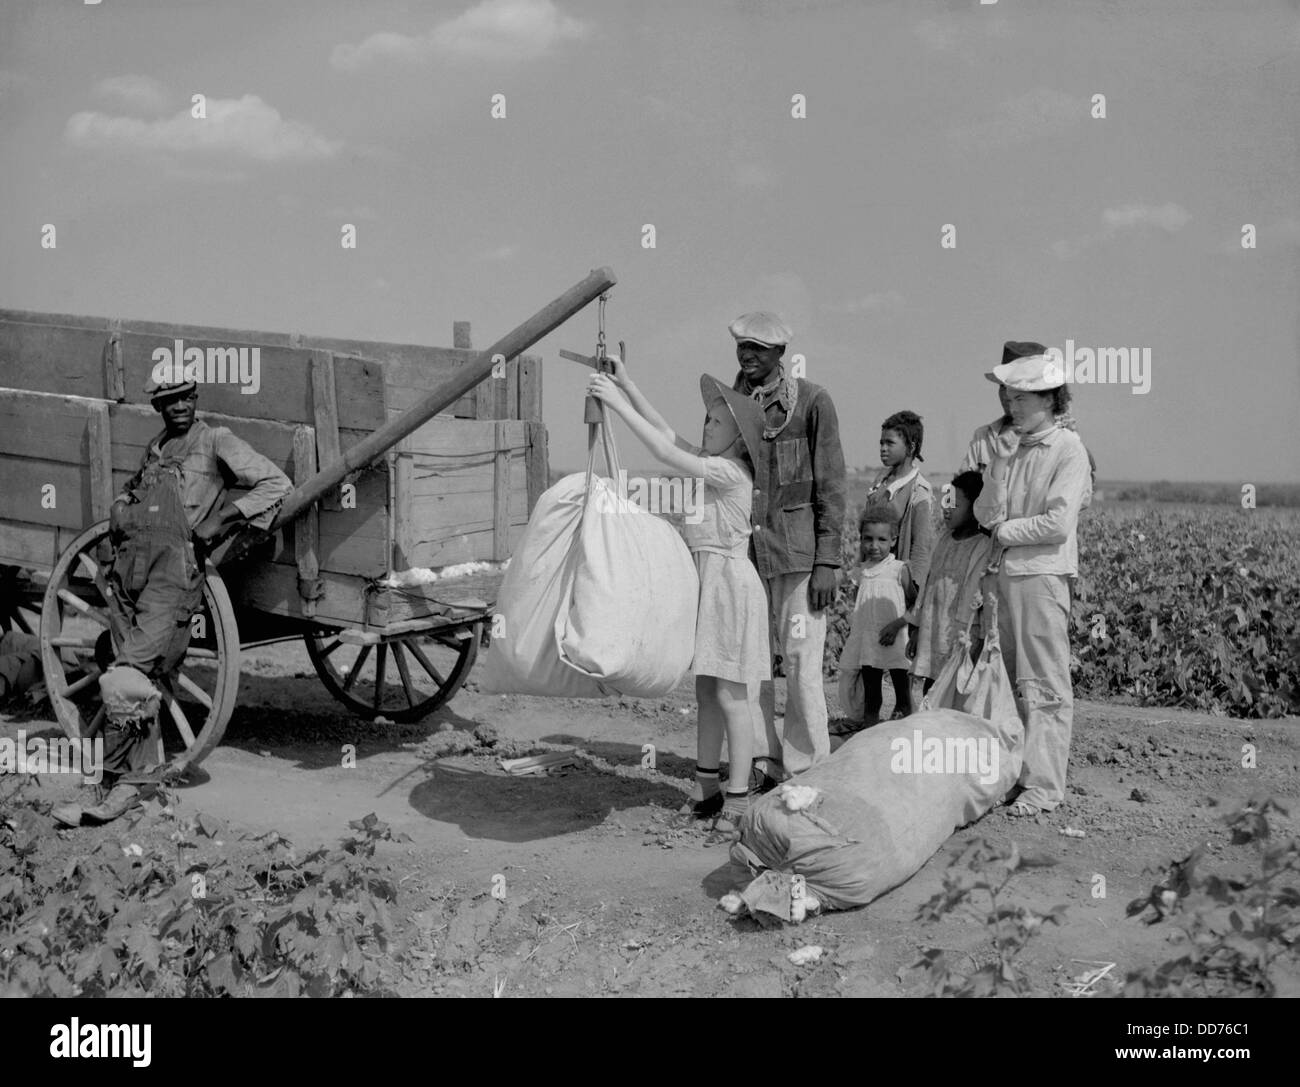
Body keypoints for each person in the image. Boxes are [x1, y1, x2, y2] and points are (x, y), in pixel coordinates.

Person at [53, 376, 293, 827]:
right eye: (168, 400)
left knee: (126, 677)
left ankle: (118, 788)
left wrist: (223, 516)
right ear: (158, 406)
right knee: (133, 671)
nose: (179, 406)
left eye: (185, 398)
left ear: (195, 400)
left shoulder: (216, 441)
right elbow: (134, 493)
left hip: (173, 573)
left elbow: (275, 483)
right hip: (129, 570)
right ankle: (121, 782)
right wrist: (121, 511)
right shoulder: (157, 447)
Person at [586, 364, 770, 836]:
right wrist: (627, 382)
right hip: (708, 583)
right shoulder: (713, 463)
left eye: (714, 422)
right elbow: (668, 432)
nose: (704, 426)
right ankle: (705, 787)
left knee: (732, 694)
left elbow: (662, 448)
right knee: (707, 691)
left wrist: (615, 402)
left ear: (737, 439)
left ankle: (738, 795)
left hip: (729, 587)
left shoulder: (730, 472)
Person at [729, 312, 846, 785]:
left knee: (800, 664)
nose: (747, 355)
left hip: (798, 555)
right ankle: (760, 759)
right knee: (750, 661)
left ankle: (807, 769)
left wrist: (827, 561)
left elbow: (833, 485)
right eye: (742, 346)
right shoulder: (730, 403)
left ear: (780, 354)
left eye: (758, 347)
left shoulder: (813, 401)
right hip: (746, 552)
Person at [972, 353, 1091, 818]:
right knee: (1003, 682)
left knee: (1044, 683)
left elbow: (1058, 524)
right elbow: (984, 514)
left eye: (1021, 397)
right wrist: (999, 467)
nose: (1011, 405)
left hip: (1042, 577)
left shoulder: (1069, 450)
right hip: (1005, 576)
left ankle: (1043, 786)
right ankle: (1013, 775)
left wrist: (1004, 532)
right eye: (1011, 396)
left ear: (1049, 399)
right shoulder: (1011, 449)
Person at [900, 470, 994, 698]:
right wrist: (917, 630)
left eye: (954, 503)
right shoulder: (942, 540)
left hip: (961, 635)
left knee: (955, 689)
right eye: (946, 501)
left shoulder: (983, 547)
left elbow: (983, 600)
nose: (947, 508)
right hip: (934, 630)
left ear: (976, 508)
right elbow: (928, 587)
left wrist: (980, 641)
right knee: (930, 686)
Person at [842, 503, 915, 723]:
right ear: (861, 539)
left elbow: (915, 605)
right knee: (872, 693)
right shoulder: (860, 571)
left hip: (895, 639)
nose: (874, 545)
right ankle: (870, 730)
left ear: (893, 540)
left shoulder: (899, 569)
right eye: (868, 539)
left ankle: (904, 729)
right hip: (868, 641)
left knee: (902, 691)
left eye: (882, 540)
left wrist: (897, 625)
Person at [860, 409, 935, 598]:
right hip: (872, 575)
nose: (883, 448)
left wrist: (913, 591)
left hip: (897, 585)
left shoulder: (919, 490)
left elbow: (921, 546)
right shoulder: (881, 480)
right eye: (881, 443)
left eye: (890, 443)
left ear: (910, 447)